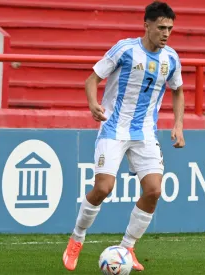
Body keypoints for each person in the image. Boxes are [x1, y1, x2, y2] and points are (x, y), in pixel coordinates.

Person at [62, 1, 185, 272]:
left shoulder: (171, 59)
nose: (166, 33)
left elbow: (177, 90)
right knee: (103, 188)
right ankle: (77, 238)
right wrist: (93, 103)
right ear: (147, 25)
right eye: (161, 27)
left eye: (170, 28)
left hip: (145, 133)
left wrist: (178, 124)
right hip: (114, 128)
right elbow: (92, 79)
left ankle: (128, 246)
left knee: (154, 190)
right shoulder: (125, 49)